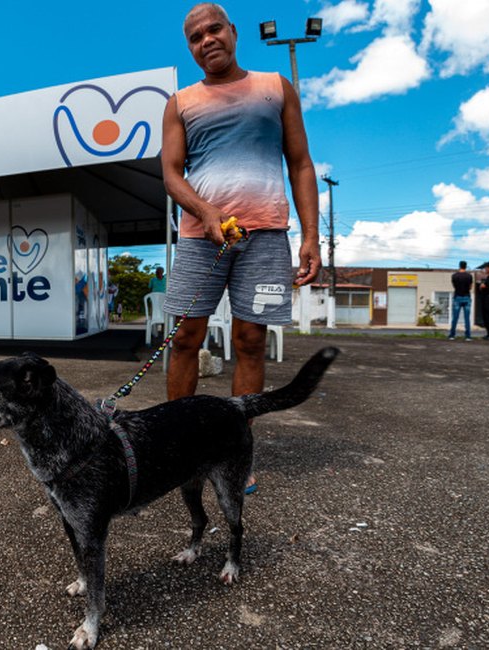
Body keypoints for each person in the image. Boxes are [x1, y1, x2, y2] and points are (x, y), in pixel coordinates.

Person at [161, 3, 321, 493]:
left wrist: (311, 236)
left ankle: (233, 452)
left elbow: (300, 164)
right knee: (186, 338)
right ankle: (177, 447)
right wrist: (207, 214)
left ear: (232, 32)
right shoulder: (181, 102)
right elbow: (171, 173)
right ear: (190, 48)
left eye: (213, 29)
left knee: (251, 342)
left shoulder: (276, 87)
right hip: (198, 240)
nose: (206, 40)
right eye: (194, 37)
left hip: (266, 236)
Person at [447, 261, 473, 340]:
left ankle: (452, 335)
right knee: (467, 318)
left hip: (457, 296)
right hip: (466, 297)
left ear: (459, 266)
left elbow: (454, 286)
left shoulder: (454, 276)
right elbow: (470, 287)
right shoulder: (469, 276)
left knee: (455, 317)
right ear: (466, 266)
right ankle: (468, 336)